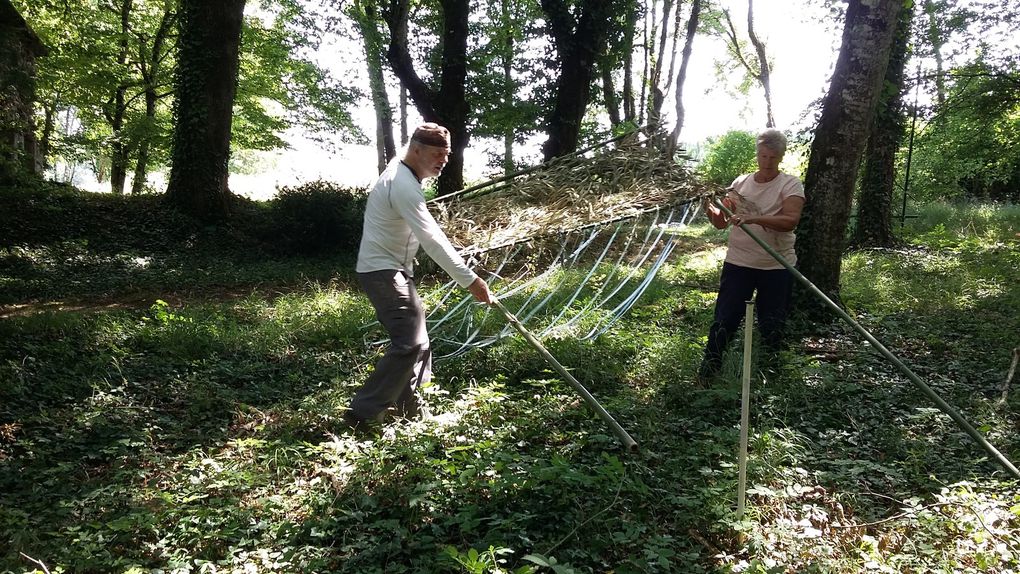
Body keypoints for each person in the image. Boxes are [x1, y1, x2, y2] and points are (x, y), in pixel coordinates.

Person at [347, 122, 493, 427]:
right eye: (437, 154)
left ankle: (412, 410)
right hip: (383, 271)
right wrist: (471, 280)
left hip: (394, 270)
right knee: (409, 343)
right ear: (416, 150)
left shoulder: (403, 173)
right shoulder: (402, 184)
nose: (443, 160)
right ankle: (363, 413)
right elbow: (433, 240)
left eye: (447, 155)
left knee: (420, 343)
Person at [698, 128, 805, 381]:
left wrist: (754, 218)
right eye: (763, 156)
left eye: (773, 157)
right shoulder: (740, 183)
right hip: (739, 262)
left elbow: (790, 220)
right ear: (757, 154)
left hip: (776, 264)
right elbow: (721, 223)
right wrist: (707, 205)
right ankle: (709, 371)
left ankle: (770, 374)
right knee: (725, 317)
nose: (767, 162)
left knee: (772, 322)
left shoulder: (790, 184)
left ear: (781, 157)